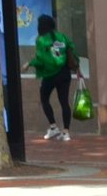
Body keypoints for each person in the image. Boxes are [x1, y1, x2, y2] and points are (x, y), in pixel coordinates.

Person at [27, 14, 80, 143]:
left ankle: (53, 126)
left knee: (44, 99)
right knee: (64, 102)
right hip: (64, 74)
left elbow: (41, 59)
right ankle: (66, 132)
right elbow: (72, 51)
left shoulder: (41, 40)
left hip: (50, 75)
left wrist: (30, 63)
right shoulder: (62, 37)